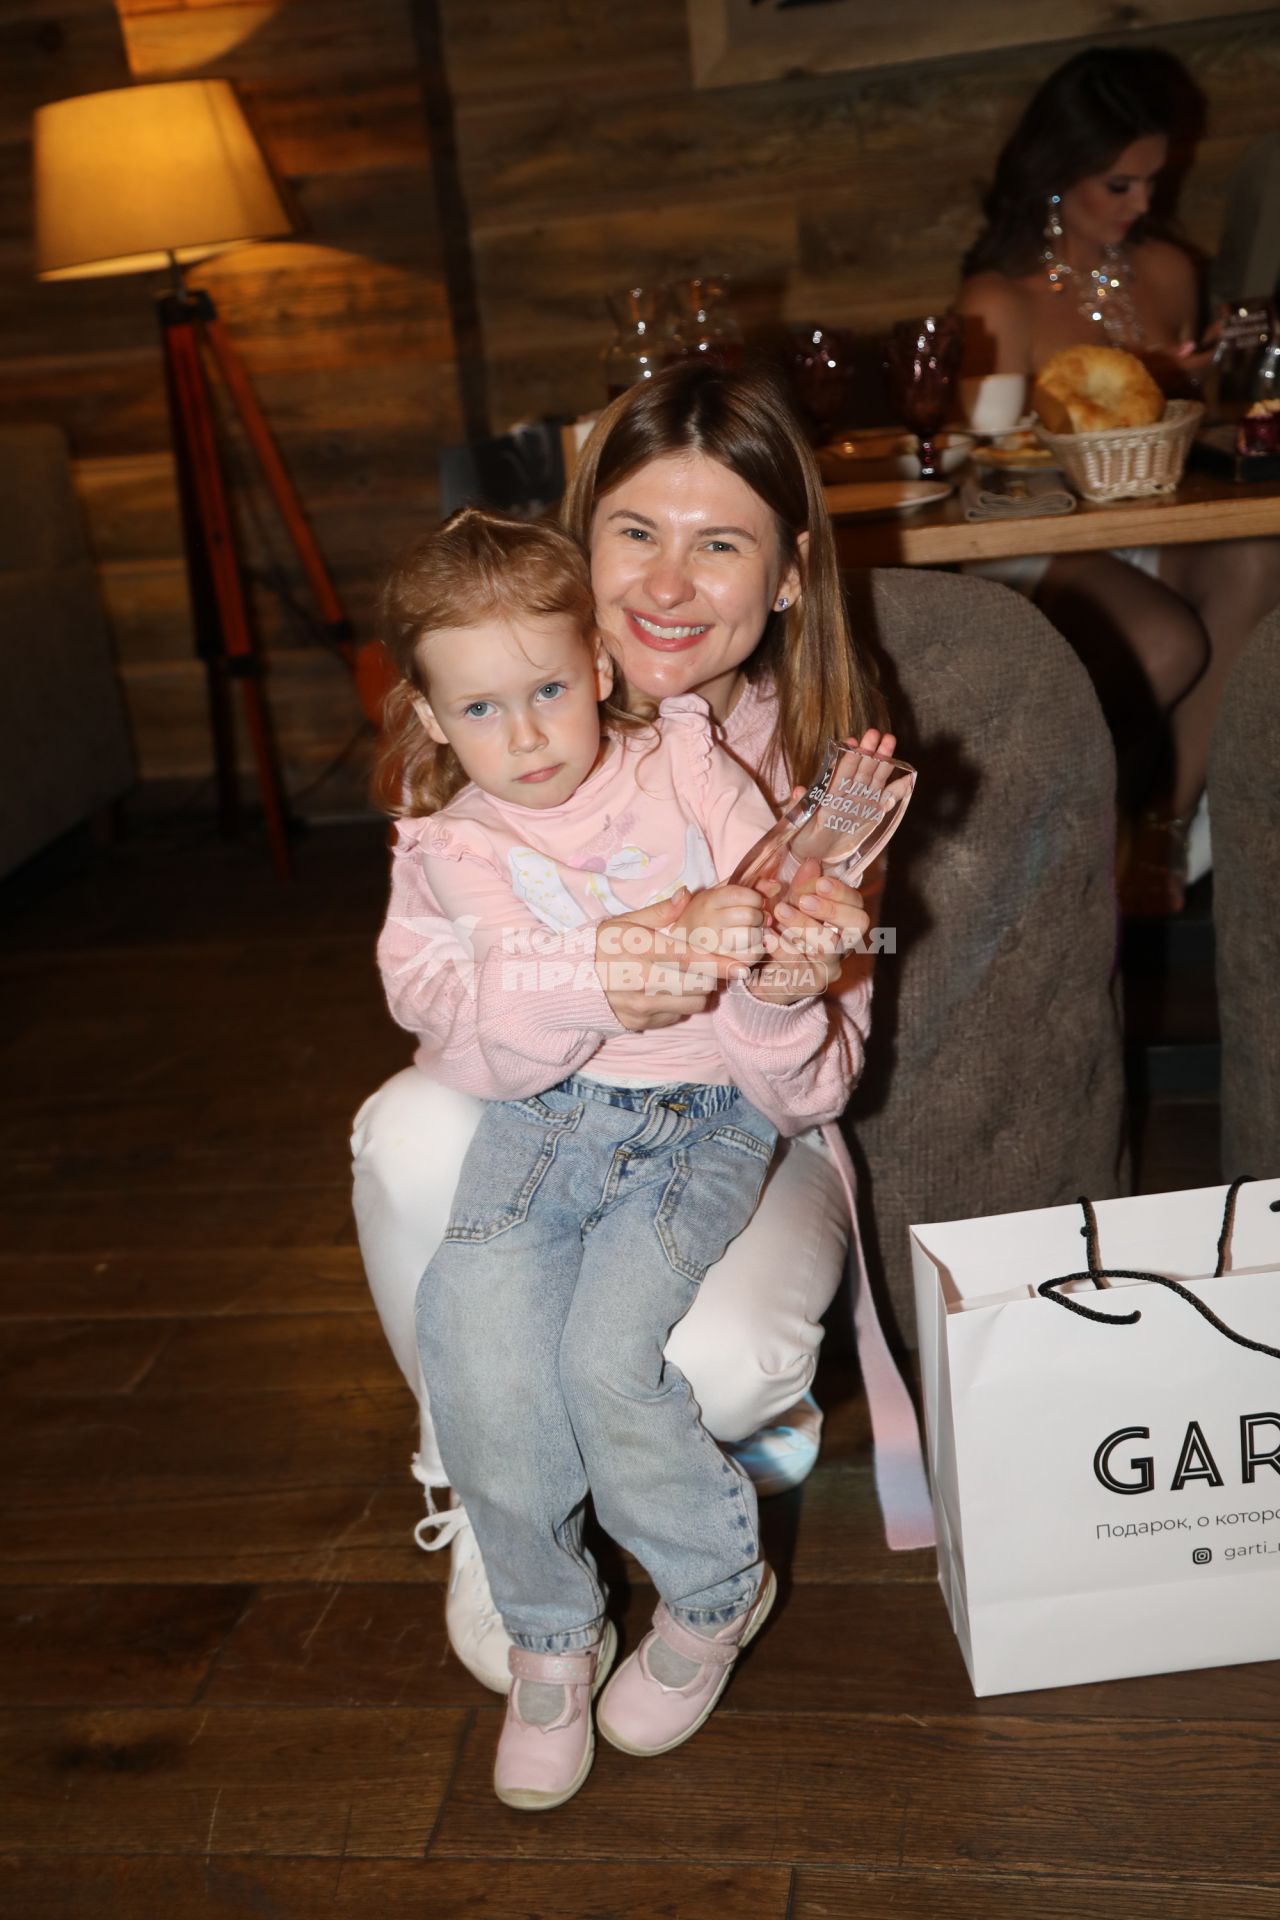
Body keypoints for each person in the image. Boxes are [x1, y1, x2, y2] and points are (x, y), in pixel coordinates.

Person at [352, 362, 933, 1704]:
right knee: (408, 1125)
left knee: (704, 1371)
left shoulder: (817, 780)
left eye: (718, 543)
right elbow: (439, 1011)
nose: (667, 584)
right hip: (548, 1103)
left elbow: (813, 1091)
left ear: (786, 577)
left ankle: (676, 1495)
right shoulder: (500, 719)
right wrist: (589, 980)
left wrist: (778, 986)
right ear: (581, 544)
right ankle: (488, 1485)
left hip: (740, 1129)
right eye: (635, 533)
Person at [386, 506, 866, 1808]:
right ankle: (552, 1631)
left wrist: (781, 956)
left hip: (701, 1117)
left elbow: (767, 921)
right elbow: (480, 1020)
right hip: (541, 1120)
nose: (526, 736)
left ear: (597, 666)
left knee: (608, 1359)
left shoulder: (686, 765)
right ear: (432, 719)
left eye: (547, 690)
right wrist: (611, 964)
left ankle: (712, 1593)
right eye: (480, 709)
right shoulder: (450, 845)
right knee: (477, 1346)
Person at [955, 45, 1280, 912]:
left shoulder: (1167, 272)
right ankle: (1073, 842)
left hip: (1152, 523)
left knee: (1257, 556)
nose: (1141, 207)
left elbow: (1190, 443)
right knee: (1165, 642)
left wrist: (1206, 383)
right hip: (1038, 538)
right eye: (1119, 185)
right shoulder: (998, 300)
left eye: (1153, 184)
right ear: (1056, 176)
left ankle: (1164, 831)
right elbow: (976, 458)